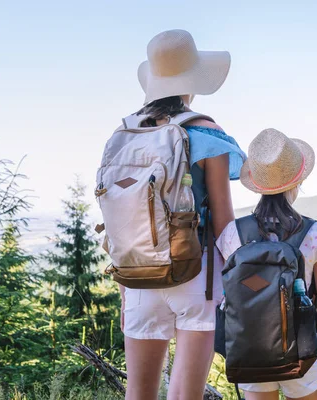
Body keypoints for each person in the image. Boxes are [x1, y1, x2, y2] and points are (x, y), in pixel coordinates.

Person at [119, 29, 245, 400]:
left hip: (138, 275)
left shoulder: (128, 132)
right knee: (185, 395)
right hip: (196, 275)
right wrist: (241, 276)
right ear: (192, 82)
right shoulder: (207, 133)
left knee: (138, 394)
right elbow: (223, 218)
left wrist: (125, 289)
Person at [217, 129, 317, 400]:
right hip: (302, 353)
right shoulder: (315, 232)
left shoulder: (232, 233)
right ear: (298, 180)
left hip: (250, 353)